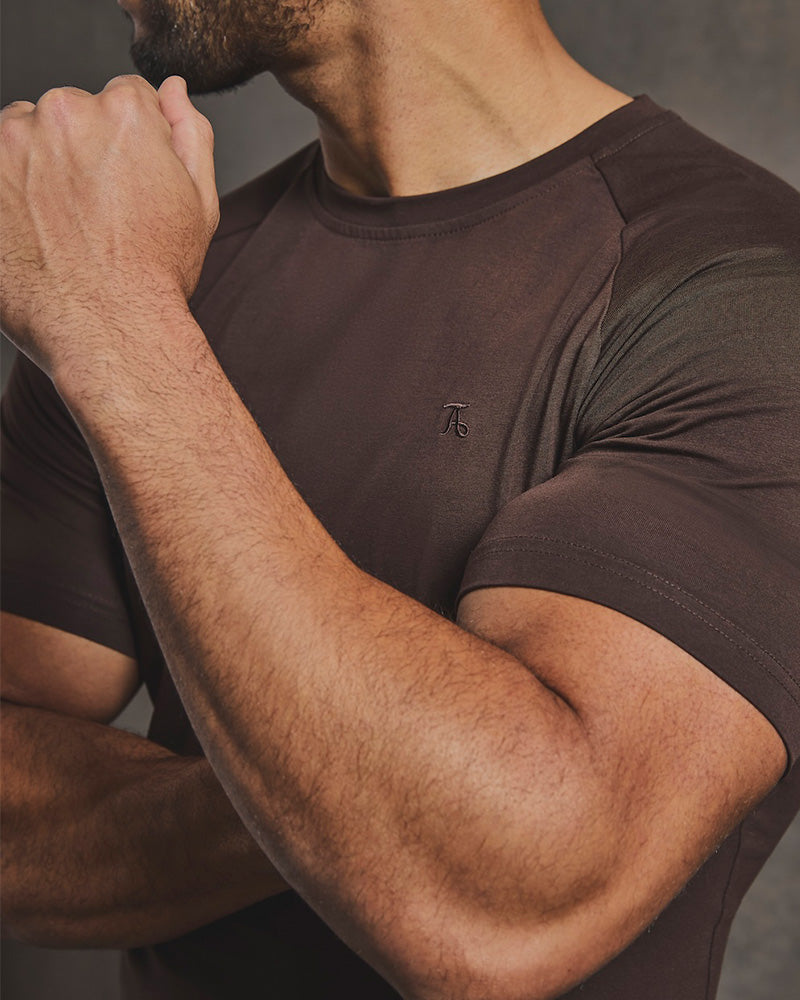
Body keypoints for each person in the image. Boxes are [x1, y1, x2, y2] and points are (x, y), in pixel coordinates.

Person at [1, 1, 798, 997]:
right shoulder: (143, 270)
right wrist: (361, 794)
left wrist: (119, 330)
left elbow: (501, 906)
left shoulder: (740, 291)